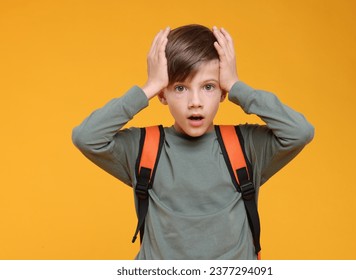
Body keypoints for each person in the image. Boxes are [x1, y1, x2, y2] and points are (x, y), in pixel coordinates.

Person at [72, 24, 314, 259]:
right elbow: (87, 137)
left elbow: (299, 132)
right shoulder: (145, 148)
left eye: (208, 86)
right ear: (163, 95)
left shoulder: (244, 147)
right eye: (180, 88)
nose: (195, 101)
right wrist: (148, 87)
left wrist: (237, 86)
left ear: (222, 93)